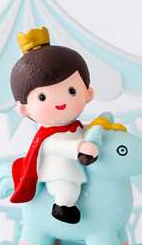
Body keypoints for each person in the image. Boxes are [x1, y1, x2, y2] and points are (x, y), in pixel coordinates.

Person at [9, 27, 97, 224]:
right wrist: (80, 147)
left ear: (88, 93)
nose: (61, 102)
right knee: (68, 188)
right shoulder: (48, 138)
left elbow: (82, 132)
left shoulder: (76, 126)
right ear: (24, 109)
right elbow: (58, 146)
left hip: (82, 166)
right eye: (42, 97)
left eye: (72, 91)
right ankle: (62, 207)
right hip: (60, 171)